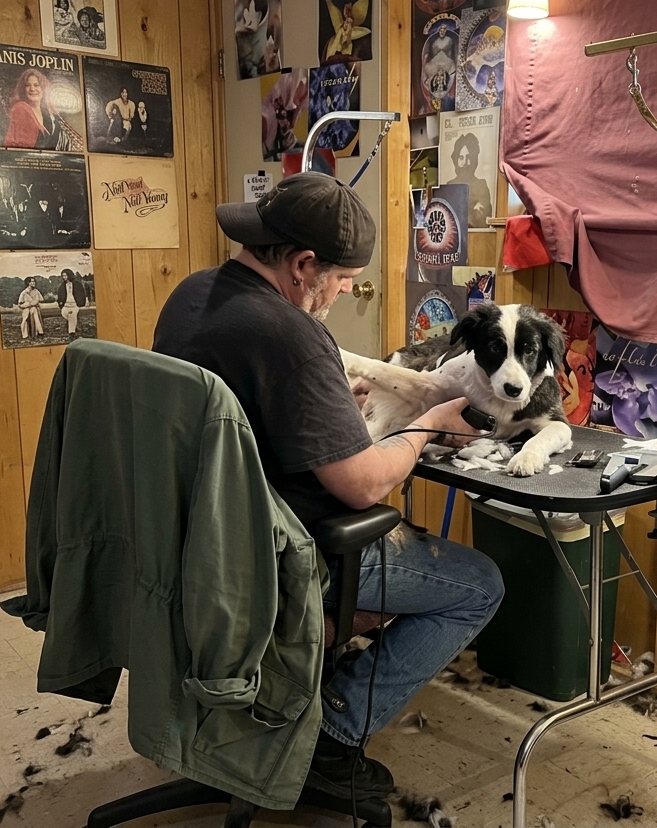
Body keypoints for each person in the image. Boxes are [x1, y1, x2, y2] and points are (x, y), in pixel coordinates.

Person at [152, 173, 504, 804]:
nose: (344, 292)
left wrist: (324, 406)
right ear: (302, 264)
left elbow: (241, 415)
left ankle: (293, 691)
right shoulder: (293, 335)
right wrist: (429, 425)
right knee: (478, 585)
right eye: (342, 279)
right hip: (279, 555)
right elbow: (364, 486)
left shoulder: (191, 295)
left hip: (193, 541)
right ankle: (333, 738)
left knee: (377, 593)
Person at [4, 68, 64, 150]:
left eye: (36, 85)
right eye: (28, 85)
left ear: (43, 88)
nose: (32, 89)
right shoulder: (21, 108)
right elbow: (23, 147)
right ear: (23, 89)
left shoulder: (48, 113)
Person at [450, 134, 494, 228]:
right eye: (461, 157)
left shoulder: (481, 184)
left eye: (468, 157)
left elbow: (481, 219)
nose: (465, 162)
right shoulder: (450, 185)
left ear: (474, 159)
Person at [56, 268, 87, 339]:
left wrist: (81, 303)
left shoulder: (77, 284)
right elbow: (59, 297)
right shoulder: (62, 286)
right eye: (63, 276)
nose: (64, 277)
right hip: (66, 306)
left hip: (75, 305)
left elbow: (82, 294)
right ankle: (75, 327)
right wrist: (61, 304)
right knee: (66, 314)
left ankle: (71, 333)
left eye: (65, 275)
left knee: (72, 314)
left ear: (69, 275)